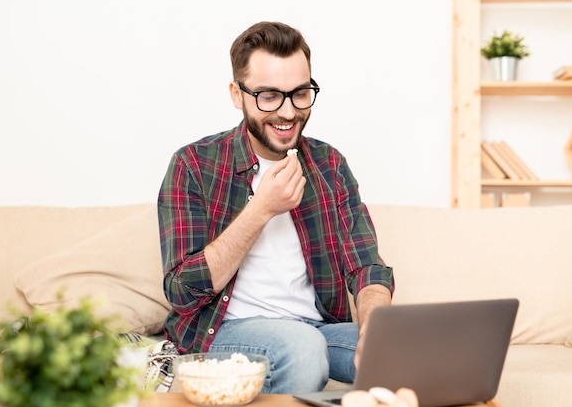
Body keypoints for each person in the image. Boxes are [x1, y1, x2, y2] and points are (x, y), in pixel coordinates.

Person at [157, 21, 394, 394]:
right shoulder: (194, 164)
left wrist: (376, 326)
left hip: (317, 328)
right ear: (237, 94)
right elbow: (181, 291)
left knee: (406, 350)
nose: (288, 112)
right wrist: (260, 209)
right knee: (302, 348)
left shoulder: (328, 164)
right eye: (269, 96)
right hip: (222, 331)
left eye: (300, 93)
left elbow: (366, 265)